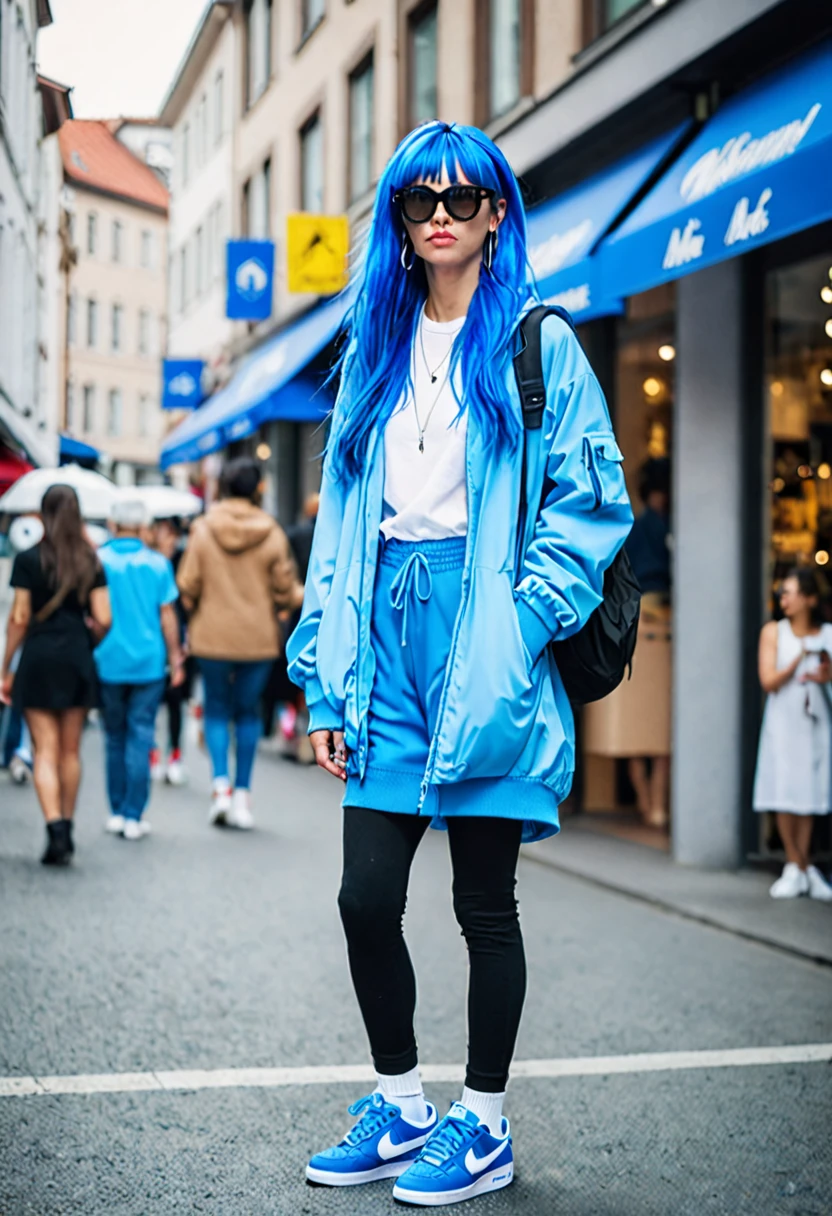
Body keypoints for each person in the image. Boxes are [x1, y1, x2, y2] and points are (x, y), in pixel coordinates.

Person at [286, 122, 632, 1206]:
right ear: (398, 221)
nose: (441, 210)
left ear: (494, 214)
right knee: (362, 897)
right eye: (419, 197)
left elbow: (589, 507)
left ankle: (483, 1121)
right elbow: (341, 524)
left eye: (463, 194)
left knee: (485, 905)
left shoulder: (538, 343)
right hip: (384, 639)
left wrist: (520, 622)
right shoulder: (372, 351)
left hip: (489, 646)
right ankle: (400, 1101)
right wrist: (325, 672)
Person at [176, 457, 304, 829]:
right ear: (257, 490)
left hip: (211, 638)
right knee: (246, 713)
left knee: (216, 709)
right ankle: (243, 798)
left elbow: (187, 587)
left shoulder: (202, 529)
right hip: (257, 640)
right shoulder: (272, 532)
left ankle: (219, 788)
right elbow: (285, 592)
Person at [1, 485, 111, 865]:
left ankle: (54, 829)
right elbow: (105, 618)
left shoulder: (29, 559)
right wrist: (88, 640)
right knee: (70, 751)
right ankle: (67, 821)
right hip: (78, 656)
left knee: (43, 751)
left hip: (39, 656)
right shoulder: (90, 559)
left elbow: (18, 619)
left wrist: (5, 667)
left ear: (43, 514)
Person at [95, 500, 184, 842]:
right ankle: (134, 814)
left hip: (109, 660)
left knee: (114, 736)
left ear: (113, 523)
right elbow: (167, 616)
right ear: (144, 526)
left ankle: (116, 811)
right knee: (141, 734)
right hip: (149, 662)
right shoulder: (158, 564)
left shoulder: (99, 560)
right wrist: (176, 658)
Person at [753, 568, 832, 900]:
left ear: (810, 599)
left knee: (810, 791)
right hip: (784, 721)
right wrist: (797, 661)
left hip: (815, 720)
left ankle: (803, 867)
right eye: (781, 592)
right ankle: (796, 864)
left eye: (790, 592)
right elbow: (768, 680)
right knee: (784, 787)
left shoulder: (827, 634)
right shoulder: (774, 631)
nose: (783, 598)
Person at [624, 458, 671, 827]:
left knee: (636, 722)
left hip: (636, 624)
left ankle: (646, 803)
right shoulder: (660, 528)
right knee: (660, 722)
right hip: (664, 623)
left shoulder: (635, 528)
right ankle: (655, 805)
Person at [149, 516, 192, 785]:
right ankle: (152, 754)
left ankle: (174, 755)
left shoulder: (185, 560)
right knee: (150, 701)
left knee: (177, 701)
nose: (168, 538)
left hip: (181, 640)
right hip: (152, 639)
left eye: (171, 533)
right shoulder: (149, 562)